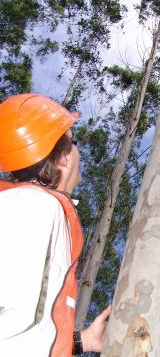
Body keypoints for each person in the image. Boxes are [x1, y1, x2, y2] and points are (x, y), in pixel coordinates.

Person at [0, 94, 111, 356]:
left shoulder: (27, 206)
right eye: (75, 142)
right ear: (63, 157)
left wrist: (82, 341)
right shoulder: (32, 206)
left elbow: (23, 328)